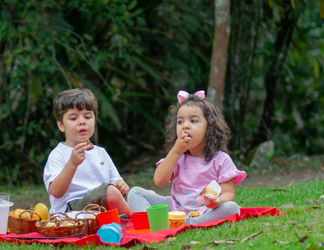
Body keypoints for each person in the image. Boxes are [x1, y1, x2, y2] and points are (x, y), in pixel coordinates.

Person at [127, 90, 246, 225]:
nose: (185, 126)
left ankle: (186, 223)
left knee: (232, 208)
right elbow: (159, 181)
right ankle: (160, 222)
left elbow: (229, 194)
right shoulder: (177, 156)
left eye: (193, 120)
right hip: (174, 209)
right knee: (135, 193)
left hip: (205, 211)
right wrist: (175, 151)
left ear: (209, 127)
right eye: (180, 122)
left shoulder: (221, 159)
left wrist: (217, 201)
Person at [43, 88, 133, 217]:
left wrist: (121, 185)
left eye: (88, 116)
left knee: (140, 194)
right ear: (61, 125)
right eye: (73, 118)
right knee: (110, 193)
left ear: (94, 121)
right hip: (72, 209)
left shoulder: (101, 152)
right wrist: (72, 164)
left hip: (102, 204)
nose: (82, 122)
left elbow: (116, 182)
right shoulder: (58, 154)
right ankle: (135, 217)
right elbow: (56, 192)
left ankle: (127, 214)